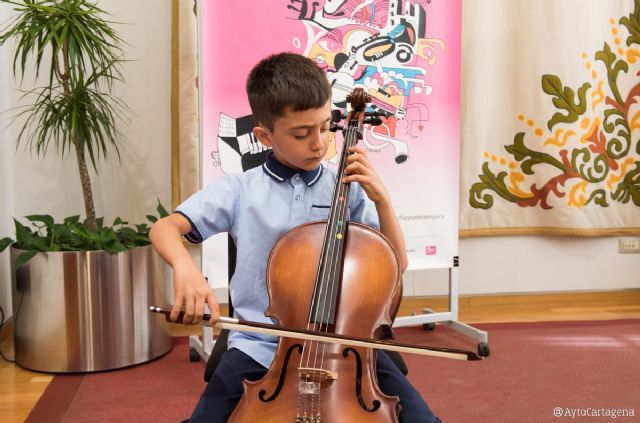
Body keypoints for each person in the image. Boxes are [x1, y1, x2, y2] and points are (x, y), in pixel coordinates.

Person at [149, 52, 441, 423]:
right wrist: (185, 268)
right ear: (265, 135)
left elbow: (395, 264)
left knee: (422, 419)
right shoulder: (241, 191)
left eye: (324, 127)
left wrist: (381, 199)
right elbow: (164, 227)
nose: (319, 143)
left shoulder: (346, 186)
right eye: (302, 134)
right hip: (261, 345)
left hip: (347, 343)